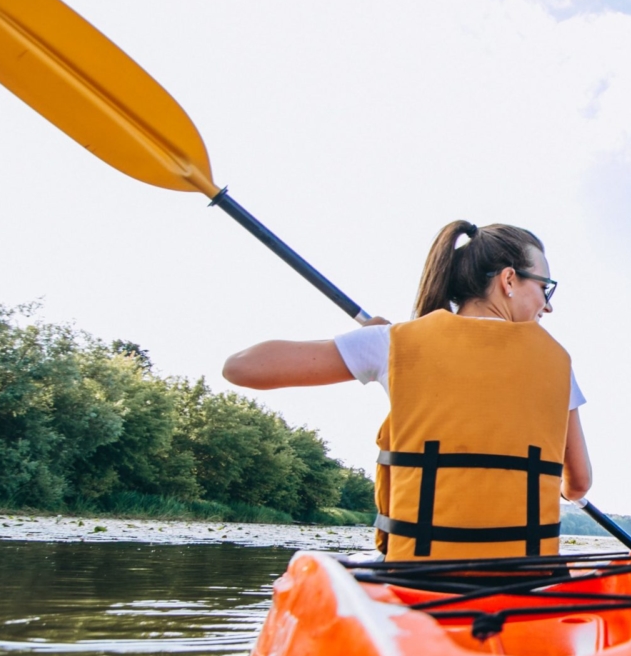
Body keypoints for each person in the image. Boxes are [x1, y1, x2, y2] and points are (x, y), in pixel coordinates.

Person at [221, 221, 592, 561]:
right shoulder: (559, 364)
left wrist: (373, 342)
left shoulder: (393, 344)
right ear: (509, 280)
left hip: (414, 573)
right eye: (544, 287)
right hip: (522, 578)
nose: (549, 304)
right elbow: (578, 484)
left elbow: (240, 367)